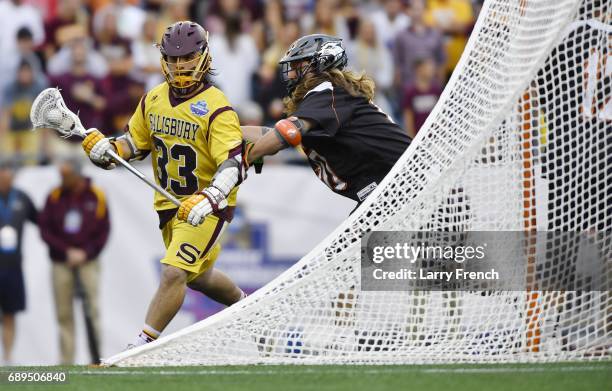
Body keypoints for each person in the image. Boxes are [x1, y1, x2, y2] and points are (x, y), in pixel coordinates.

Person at [80, 21, 246, 349]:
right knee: (198, 275)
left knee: (174, 272)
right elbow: (135, 144)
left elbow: (234, 163)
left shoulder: (217, 106)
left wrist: (210, 198)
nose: (181, 65)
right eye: (174, 58)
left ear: (204, 56)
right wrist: (109, 150)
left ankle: (140, 346)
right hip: (169, 205)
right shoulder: (153, 98)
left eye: (188, 57)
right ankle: (246, 306)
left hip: (206, 205)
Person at [243, 34, 411, 209]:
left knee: (355, 236)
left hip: (403, 181)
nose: (291, 73)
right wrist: (231, 129)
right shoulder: (329, 98)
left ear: (320, 63)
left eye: (297, 66)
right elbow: (276, 134)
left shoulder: (326, 91)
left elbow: (287, 132)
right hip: (394, 183)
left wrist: (247, 157)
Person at [38, 158, 110, 364]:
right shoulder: (54, 196)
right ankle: (66, 361)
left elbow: (103, 230)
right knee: (64, 313)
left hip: (88, 262)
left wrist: (85, 253)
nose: (62, 179)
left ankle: (96, 358)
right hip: (61, 262)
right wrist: (65, 251)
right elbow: (45, 229)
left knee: (92, 310)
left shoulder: (96, 195)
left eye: (66, 176)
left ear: (77, 175)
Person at [0, 160, 38, 365]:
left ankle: (7, 357)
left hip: (13, 266)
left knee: (10, 313)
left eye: (8, 172)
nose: (5, 176)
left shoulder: (21, 198)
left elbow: (42, 221)